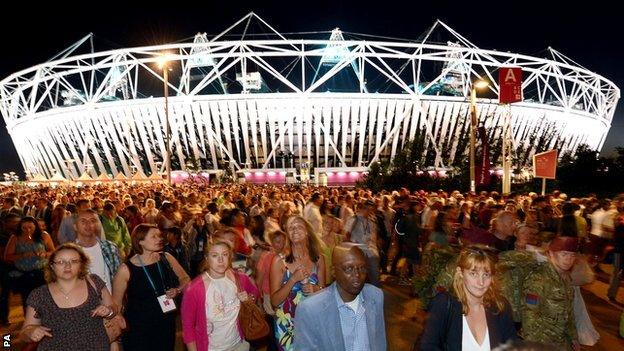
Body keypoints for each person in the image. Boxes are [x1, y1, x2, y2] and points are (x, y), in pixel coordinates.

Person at [20, 243, 118, 350]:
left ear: (81, 265)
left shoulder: (95, 283)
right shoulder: (39, 295)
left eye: (74, 261)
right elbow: (24, 332)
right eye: (61, 262)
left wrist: (108, 311)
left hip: (98, 347)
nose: (67, 266)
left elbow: (113, 308)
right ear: (52, 266)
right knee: (10, 340)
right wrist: (31, 332)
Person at [420, 246, 517, 350]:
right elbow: (428, 346)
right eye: (473, 274)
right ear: (460, 273)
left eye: (486, 275)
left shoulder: (500, 307)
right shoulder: (443, 304)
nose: (481, 282)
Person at [294, 243, 387, 351]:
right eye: (348, 268)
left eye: (362, 268)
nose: (357, 274)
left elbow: (379, 342)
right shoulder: (310, 309)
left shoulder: (375, 296)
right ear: (333, 271)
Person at [112, 224, 190, 351]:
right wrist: (115, 335)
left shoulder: (166, 258)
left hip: (165, 321)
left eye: (159, 236)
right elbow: (116, 304)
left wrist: (178, 290)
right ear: (140, 241)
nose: (159, 239)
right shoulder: (125, 269)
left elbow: (185, 279)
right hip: (138, 326)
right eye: (153, 236)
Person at [181, 240, 260, 351]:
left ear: (230, 257)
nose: (220, 260)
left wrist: (248, 299)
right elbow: (188, 327)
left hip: (239, 344)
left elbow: (254, 292)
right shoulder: (194, 289)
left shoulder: (239, 278)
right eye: (214, 255)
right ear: (207, 258)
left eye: (225, 254)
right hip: (211, 348)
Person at [270, 215, 325, 351]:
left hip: (312, 321)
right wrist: (293, 280)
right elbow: (274, 302)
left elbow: (324, 291)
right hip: (287, 325)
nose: (294, 229)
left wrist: (316, 288)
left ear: (307, 230)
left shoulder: (318, 258)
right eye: (290, 228)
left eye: (298, 226)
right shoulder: (279, 261)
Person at [521, 236, 580, 350]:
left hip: (561, 341)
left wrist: (573, 336)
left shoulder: (565, 278)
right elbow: (529, 314)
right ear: (551, 254)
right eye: (564, 254)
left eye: (572, 255)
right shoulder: (538, 279)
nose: (569, 259)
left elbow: (569, 311)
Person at [4, 216, 55, 308]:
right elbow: (7, 256)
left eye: (30, 227)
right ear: (20, 227)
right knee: (27, 300)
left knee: (43, 299)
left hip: (41, 273)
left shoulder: (44, 235)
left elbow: (53, 252)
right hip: (24, 274)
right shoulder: (15, 237)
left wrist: (45, 254)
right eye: (24, 228)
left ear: (36, 226)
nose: (28, 230)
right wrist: (22, 255)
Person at [74, 209, 122, 293]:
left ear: (99, 224)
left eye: (93, 221)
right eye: (83, 221)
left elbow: (119, 278)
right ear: (75, 226)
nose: (88, 224)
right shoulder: (69, 252)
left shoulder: (110, 248)